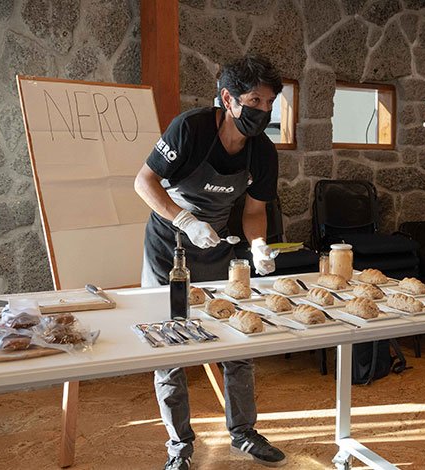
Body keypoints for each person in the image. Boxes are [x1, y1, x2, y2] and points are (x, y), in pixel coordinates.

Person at [134, 55, 285, 470]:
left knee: (236, 342)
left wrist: (258, 247)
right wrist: (184, 219)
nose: (263, 110)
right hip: (170, 249)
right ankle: (179, 447)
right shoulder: (191, 129)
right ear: (228, 98)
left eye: (270, 103)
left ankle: (243, 433)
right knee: (170, 345)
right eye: (254, 99)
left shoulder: (263, 153)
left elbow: (254, 212)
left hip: (220, 249)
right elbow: (143, 182)